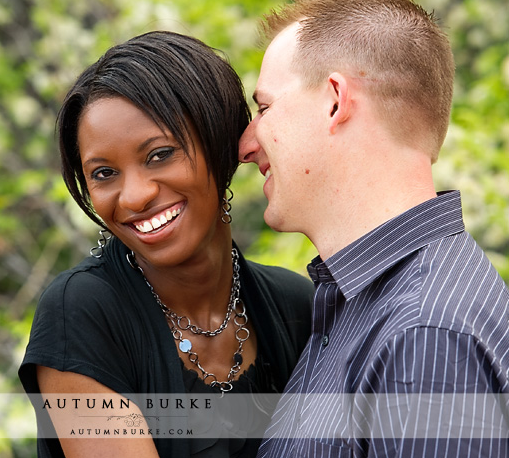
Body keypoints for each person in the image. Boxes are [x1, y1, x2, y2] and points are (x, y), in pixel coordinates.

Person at [238, 0, 509, 457]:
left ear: (335, 101)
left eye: (264, 108)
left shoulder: (424, 335)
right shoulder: (359, 305)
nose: (246, 146)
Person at [19, 31, 315, 458]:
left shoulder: (297, 307)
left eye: (159, 155)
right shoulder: (82, 312)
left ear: (220, 146)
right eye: (103, 174)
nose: (134, 196)